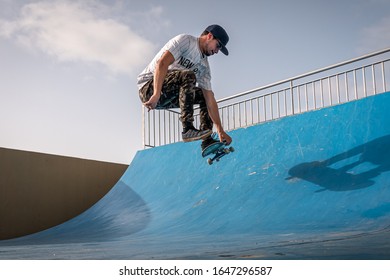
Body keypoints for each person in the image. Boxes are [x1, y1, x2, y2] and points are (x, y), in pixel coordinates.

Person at [137, 24, 232, 151]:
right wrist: (156, 94)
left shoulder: (204, 67)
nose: (217, 51)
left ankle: (207, 140)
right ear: (209, 36)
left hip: (170, 93)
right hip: (149, 87)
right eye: (218, 46)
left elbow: (210, 100)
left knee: (205, 95)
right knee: (188, 75)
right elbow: (162, 63)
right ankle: (187, 129)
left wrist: (220, 130)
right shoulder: (186, 41)